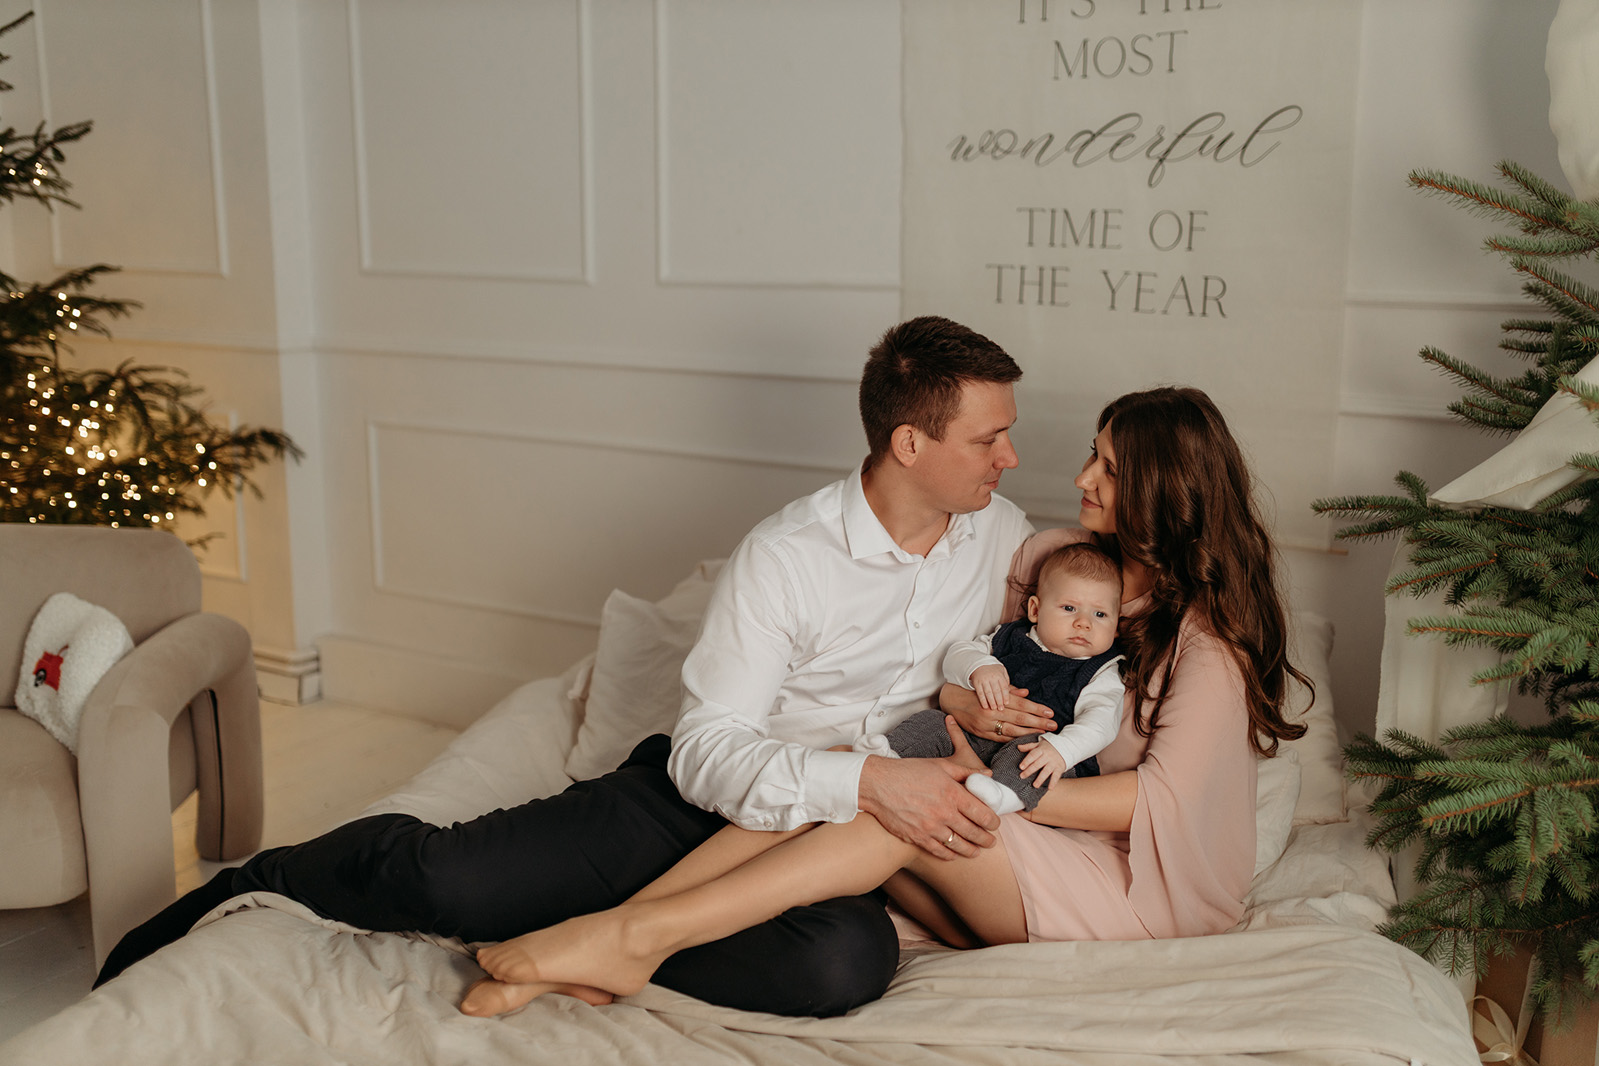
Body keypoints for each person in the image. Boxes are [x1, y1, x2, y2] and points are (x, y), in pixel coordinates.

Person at [95, 315, 1037, 1019]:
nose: (1009, 455)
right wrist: (868, 778)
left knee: (839, 967)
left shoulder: (1000, 535)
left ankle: (587, 936)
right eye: (987, 438)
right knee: (447, 885)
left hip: (823, 845)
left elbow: (1072, 626)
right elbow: (708, 752)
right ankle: (256, 879)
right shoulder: (786, 557)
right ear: (908, 444)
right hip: (702, 801)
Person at [459, 385, 1311, 1017]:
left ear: (1166, 492)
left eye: (1110, 468)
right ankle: (614, 937)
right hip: (1031, 831)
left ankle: (628, 939)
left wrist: (991, 787)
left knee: (903, 802)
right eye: (1094, 451)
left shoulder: (1210, 644)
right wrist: (960, 706)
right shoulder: (1059, 562)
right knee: (850, 771)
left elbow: (1153, 801)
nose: (1082, 474)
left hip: (1136, 886)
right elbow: (971, 654)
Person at [863, 541, 1124, 816]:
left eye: (1100, 614)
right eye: (1069, 608)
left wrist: (1061, 750)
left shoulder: (1102, 672)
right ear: (1035, 610)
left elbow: (1101, 724)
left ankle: (1003, 795)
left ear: (1116, 626)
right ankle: (890, 754)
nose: (1084, 623)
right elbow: (957, 654)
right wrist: (980, 666)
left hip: (1040, 748)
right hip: (972, 735)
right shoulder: (1009, 637)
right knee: (932, 722)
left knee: (1032, 762)